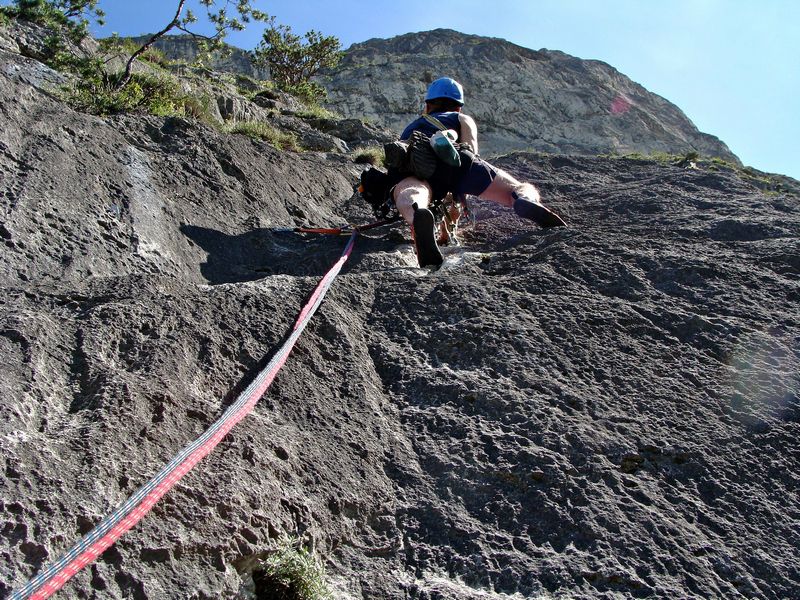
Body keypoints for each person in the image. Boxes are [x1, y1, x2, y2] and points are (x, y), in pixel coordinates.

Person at [394, 77, 566, 267]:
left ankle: (417, 212)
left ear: (427, 105)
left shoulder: (411, 127)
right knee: (517, 187)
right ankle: (524, 199)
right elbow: (471, 151)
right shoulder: (461, 118)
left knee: (411, 189)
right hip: (458, 163)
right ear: (458, 107)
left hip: (418, 165)